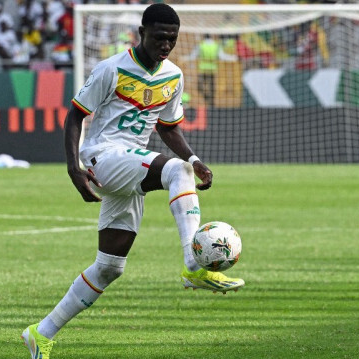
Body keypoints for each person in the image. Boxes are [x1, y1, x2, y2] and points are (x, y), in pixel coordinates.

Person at [20, 4, 244, 358]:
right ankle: (192, 263)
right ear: (142, 33)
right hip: (103, 156)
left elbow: (168, 127)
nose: (166, 44)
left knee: (109, 267)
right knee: (176, 171)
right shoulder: (111, 68)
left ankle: (40, 333)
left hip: (131, 163)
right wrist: (73, 167)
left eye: (172, 38)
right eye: (159, 37)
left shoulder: (173, 75)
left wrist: (196, 159)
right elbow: (75, 116)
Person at [182, 33, 237, 107]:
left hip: (203, 70)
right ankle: (211, 104)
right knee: (212, 89)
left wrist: (184, 58)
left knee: (199, 87)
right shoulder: (216, 45)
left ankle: (207, 99)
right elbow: (223, 56)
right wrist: (233, 57)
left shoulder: (201, 45)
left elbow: (192, 56)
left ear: (204, 37)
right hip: (212, 71)